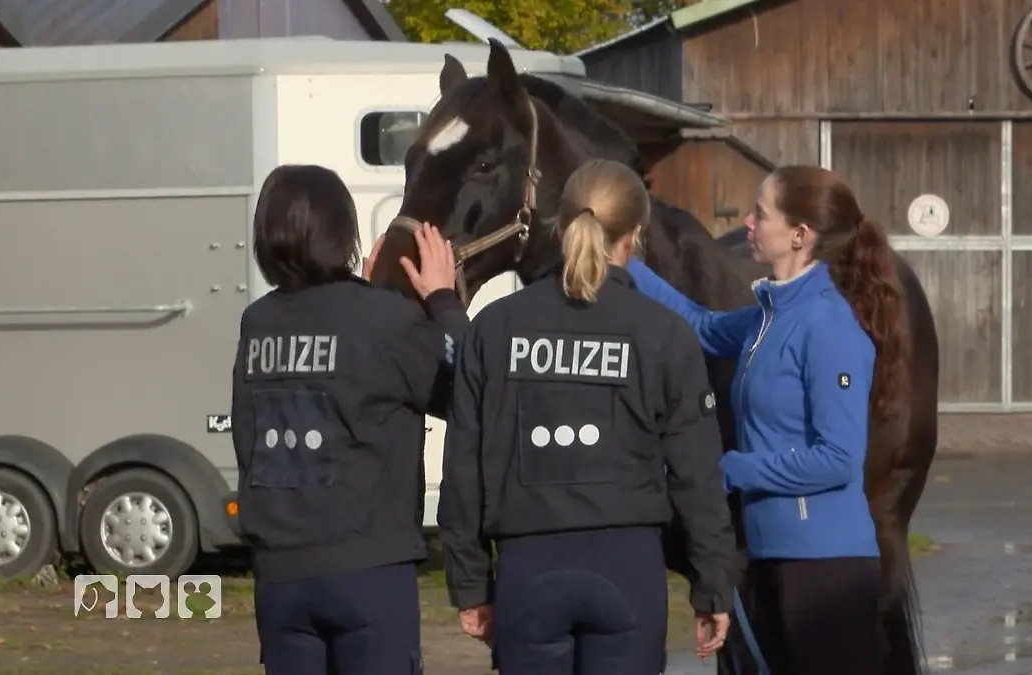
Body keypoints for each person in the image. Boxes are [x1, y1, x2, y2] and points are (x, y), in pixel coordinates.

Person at [437, 158, 736, 675]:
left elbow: (463, 466)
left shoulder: (494, 329)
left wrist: (469, 581)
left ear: (559, 222)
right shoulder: (663, 334)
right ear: (634, 234)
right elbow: (697, 474)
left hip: (527, 571)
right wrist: (712, 584)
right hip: (628, 569)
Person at [623, 165, 909, 675]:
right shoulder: (768, 315)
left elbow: (839, 460)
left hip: (826, 571)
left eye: (761, 213)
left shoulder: (827, 326)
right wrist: (622, 263)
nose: (748, 223)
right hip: (772, 555)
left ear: (799, 235)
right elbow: (701, 326)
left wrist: (732, 469)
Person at [231, 163, 469, 675]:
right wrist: (443, 300)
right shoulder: (384, 320)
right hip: (368, 569)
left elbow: (247, 434)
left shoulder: (259, 322)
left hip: (281, 575)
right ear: (343, 233)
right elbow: (467, 390)